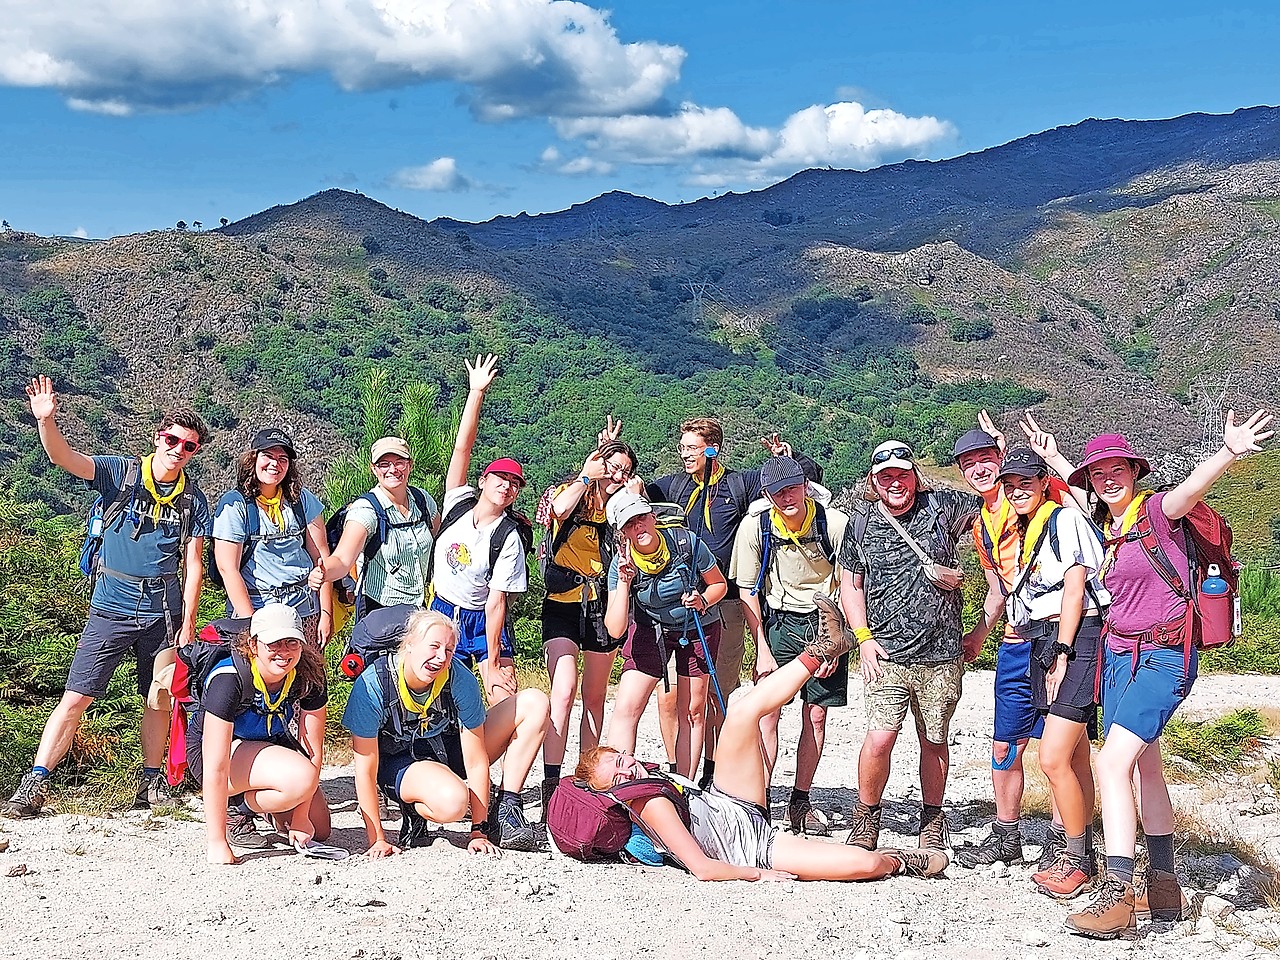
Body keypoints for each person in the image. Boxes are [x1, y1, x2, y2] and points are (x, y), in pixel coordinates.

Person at [1066, 411, 1272, 939]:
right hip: (1117, 657)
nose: (1107, 478)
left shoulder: (1159, 512)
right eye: (1097, 472)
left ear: (1135, 472)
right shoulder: (1108, 527)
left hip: (1163, 656)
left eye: (1117, 469)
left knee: (1112, 764)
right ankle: (1164, 883)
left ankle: (1117, 893)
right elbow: (1071, 485)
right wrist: (1049, 456)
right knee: (1144, 767)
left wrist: (1228, 452)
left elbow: (1189, 489)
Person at [576, 623, 948, 882]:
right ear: (611, 792)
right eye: (617, 776)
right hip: (754, 848)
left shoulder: (649, 777)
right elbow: (703, 869)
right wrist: (757, 874)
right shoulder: (646, 803)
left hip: (731, 799)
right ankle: (902, 860)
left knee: (741, 712)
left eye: (622, 761)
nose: (627, 771)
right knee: (865, 865)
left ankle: (821, 650)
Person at [6, 376, 211, 819]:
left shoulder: (194, 499)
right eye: (173, 439)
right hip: (111, 606)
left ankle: (151, 779)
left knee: (159, 696)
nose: (178, 449)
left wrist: (188, 623)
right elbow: (67, 460)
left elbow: (193, 564)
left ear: (194, 452)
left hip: (163, 612)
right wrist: (46, 422)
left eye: (189, 446)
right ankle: (37, 781)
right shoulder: (121, 473)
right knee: (77, 696)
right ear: (158, 437)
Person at [639, 417, 817, 787]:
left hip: (725, 602)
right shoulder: (672, 486)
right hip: (676, 605)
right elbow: (635, 501)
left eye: (691, 447)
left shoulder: (738, 484)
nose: (683, 453)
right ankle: (677, 768)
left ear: (712, 448)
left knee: (718, 689)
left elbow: (805, 477)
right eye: (682, 446)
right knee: (670, 697)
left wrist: (787, 456)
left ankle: (713, 765)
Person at [951, 413, 1085, 869]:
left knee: (1057, 745)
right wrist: (978, 635)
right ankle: (1007, 834)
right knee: (1005, 744)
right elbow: (997, 588)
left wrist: (1044, 456)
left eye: (986, 458)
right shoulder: (981, 524)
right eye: (969, 463)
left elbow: (1080, 499)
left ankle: (1059, 837)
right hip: (1013, 639)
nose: (979, 469)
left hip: (1051, 634)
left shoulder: (1035, 497)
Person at [838, 439, 980, 851]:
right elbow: (851, 584)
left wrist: (1003, 456)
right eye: (886, 477)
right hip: (885, 652)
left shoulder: (943, 508)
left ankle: (932, 821)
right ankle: (866, 819)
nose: (895, 483)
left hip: (940, 653)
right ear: (873, 481)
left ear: (915, 476)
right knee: (879, 739)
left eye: (902, 474)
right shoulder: (861, 522)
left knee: (934, 739)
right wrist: (862, 638)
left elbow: (998, 504)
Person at [993, 449, 1109, 898]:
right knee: (1075, 755)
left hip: (1074, 638)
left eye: (1026, 482)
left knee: (1052, 756)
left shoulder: (1063, 520)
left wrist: (1062, 651)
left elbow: (1076, 586)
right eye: (1010, 485)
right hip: (1045, 638)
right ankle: (1084, 854)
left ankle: (1077, 858)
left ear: (1044, 482)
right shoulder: (1029, 529)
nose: (1017, 490)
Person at [342, 610, 551, 854]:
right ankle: (413, 807)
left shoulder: (459, 678)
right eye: (434, 646)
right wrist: (376, 838)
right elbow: (365, 770)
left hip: (447, 749)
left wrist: (478, 831)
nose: (441, 658)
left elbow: (475, 761)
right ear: (409, 644)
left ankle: (505, 809)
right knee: (454, 803)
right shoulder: (373, 684)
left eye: (449, 650)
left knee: (535, 703)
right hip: (398, 762)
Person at [731, 455, 849, 836]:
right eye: (777, 492)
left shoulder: (834, 524)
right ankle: (759, 800)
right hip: (779, 621)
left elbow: (850, 585)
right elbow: (747, 591)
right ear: (766, 494)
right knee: (767, 712)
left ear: (805, 486)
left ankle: (800, 800)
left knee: (815, 714)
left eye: (792, 488)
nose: (786, 497)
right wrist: (761, 647)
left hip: (825, 619)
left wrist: (836, 641)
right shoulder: (756, 527)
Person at [538, 436, 638, 808]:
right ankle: (551, 783)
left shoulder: (620, 508)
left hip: (602, 605)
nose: (617, 475)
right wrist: (585, 475)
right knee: (563, 691)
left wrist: (633, 491)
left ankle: (587, 779)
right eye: (613, 467)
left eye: (625, 471)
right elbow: (559, 511)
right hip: (561, 603)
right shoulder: (570, 491)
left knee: (594, 699)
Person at [189, 604, 332, 864]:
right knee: (299, 779)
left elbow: (313, 749)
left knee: (320, 829)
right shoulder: (229, 678)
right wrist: (216, 842)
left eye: (292, 642)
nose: (284, 652)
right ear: (254, 645)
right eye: (273, 644)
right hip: (215, 755)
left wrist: (300, 816)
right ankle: (233, 810)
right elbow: (216, 765)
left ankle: (253, 807)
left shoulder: (309, 675)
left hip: (267, 750)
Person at [604, 490, 728, 778]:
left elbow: (718, 585)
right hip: (651, 627)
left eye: (642, 517)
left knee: (692, 710)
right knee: (626, 707)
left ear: (653, 517)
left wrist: (703, 600)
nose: (638, 526)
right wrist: (624, 581)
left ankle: (685, 786)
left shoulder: (686, 543)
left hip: (698, 625)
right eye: (630, 523)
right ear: (623, 532)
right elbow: (615, 628)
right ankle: (618, 782)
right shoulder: (622, 565)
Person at [429, 355, 530, 705]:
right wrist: (476, 394)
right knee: (440, 700)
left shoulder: (508, 536)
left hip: (482, 618)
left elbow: (497, 603)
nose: (506, 486)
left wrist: (493, 660)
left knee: (502, 695)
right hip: (442, 611)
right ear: (483, 480)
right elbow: (462, 449)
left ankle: (500, 759)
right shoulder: (457, 504)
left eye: (514, 483)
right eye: (500, 478)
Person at [213, 428, 334, 645]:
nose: (275, 464)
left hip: (304, 610)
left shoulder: (302, 500)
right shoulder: (235, 505)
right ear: (253, 459)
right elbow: (227, 568)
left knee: (307, 676)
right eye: (268, 456)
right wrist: (250, 623)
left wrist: (326, 613)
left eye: (282, 459)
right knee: (262, 676)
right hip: (259, 609)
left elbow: (322, 558)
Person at [309, 434, 439, 615]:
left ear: (410, 465)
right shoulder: (366, 510)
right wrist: (324, 572)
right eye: (384, 464)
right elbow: (343, 559)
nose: (392, 469)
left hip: (420, 607)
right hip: (379, 610)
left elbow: (439, 540)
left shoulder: (423, 501)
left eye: (399, 462)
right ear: (374, 469)